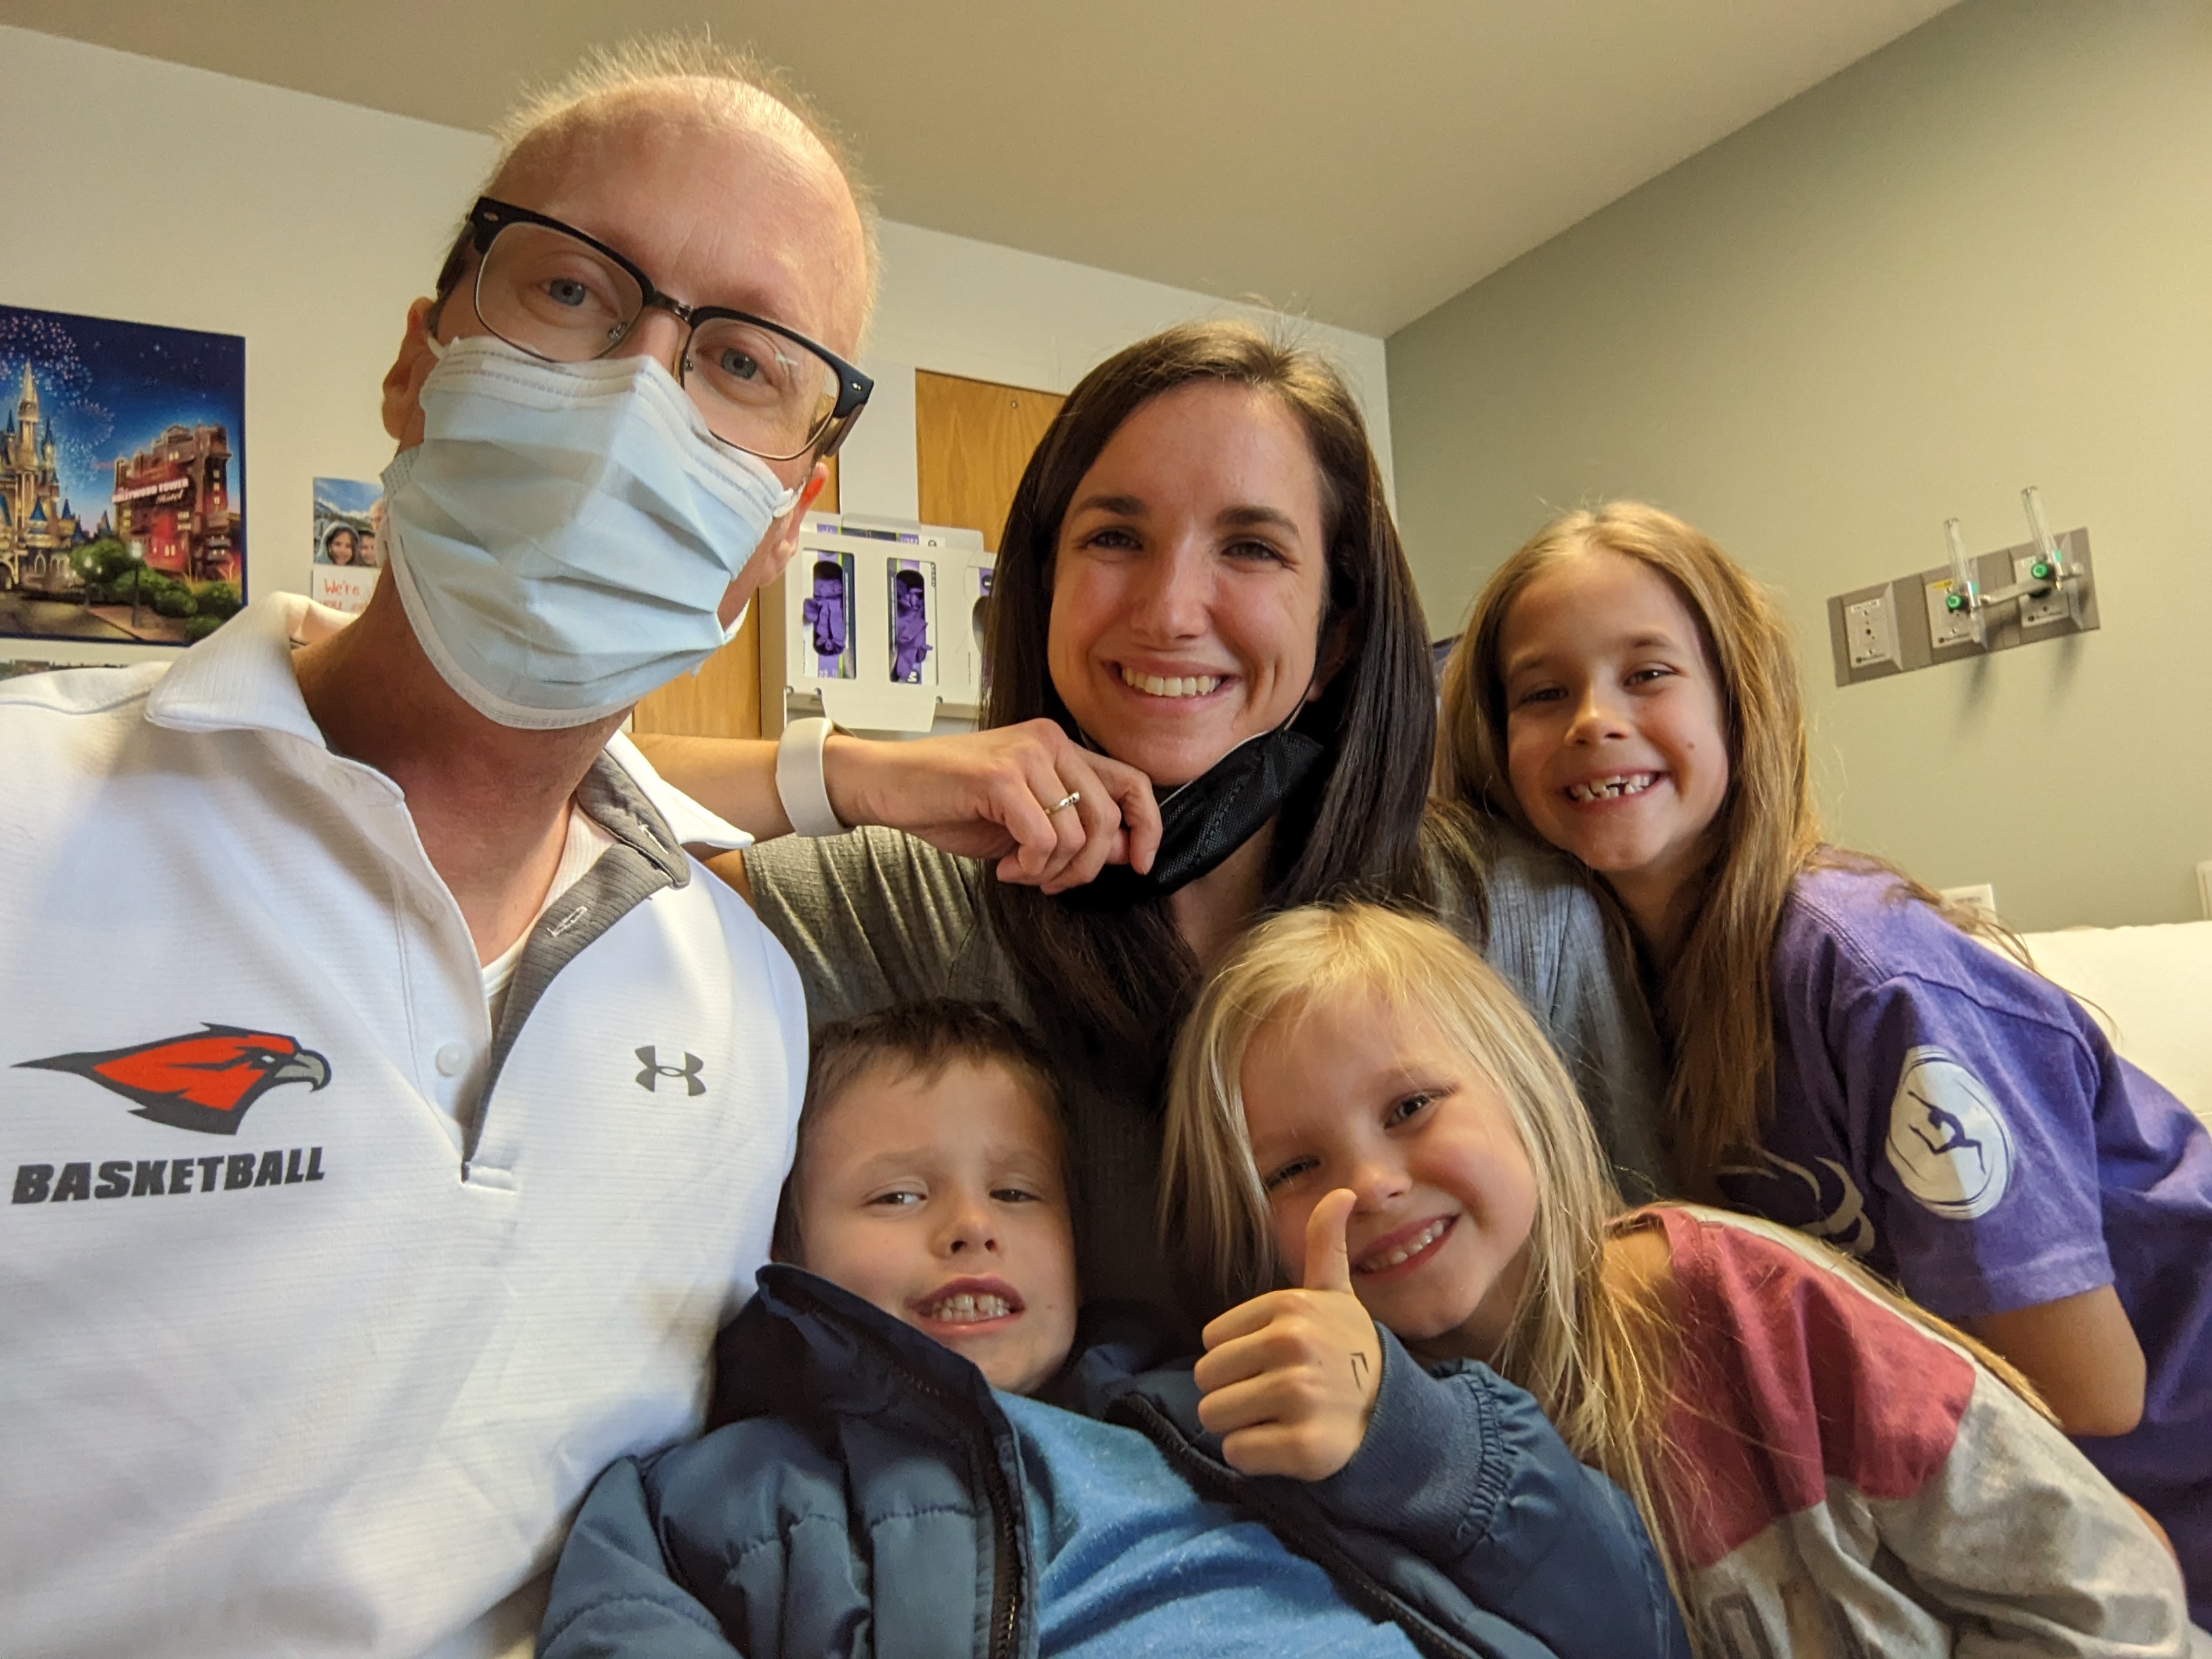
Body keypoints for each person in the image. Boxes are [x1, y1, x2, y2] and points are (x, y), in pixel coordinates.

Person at [1, 37, 874, 1659]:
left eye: (744, 361)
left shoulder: (747, 1000)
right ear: (419, 361)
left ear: (783, 527)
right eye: (570, 293)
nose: (636, 396)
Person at [639, 323, 1668, 1319]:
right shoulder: (913, 896)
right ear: (1044, 588)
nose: (1172, 608)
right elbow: (543, 799)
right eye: (1117, 537)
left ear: (1340, 629)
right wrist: (859, 774)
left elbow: (1645, 1306)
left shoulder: (1515, 913)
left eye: (1253, 548)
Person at [1436, 501, 2212, 1624]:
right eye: (1543, 692)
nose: (1595, 719)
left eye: (1648, 673)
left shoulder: (1870, 975)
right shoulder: (1604, 1007)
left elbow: (2088, 1393)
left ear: (1739, 706)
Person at [1162, 902, 2203, 1658]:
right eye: (1293, 1170)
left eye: (1410, 1109)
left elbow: (2114, 1599)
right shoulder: (1341, 1454)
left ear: (1525, 1092)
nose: (1373, 1185)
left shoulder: (1746, 1305)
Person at [539, 1000, 1686, 1658]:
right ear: (785, 1251)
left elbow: (1630, 1629)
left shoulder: (1229, 1395)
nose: (969, 1230)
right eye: (897, 1196)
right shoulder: (713, 1493)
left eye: (1019, 1194)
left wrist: (1412, 1437)